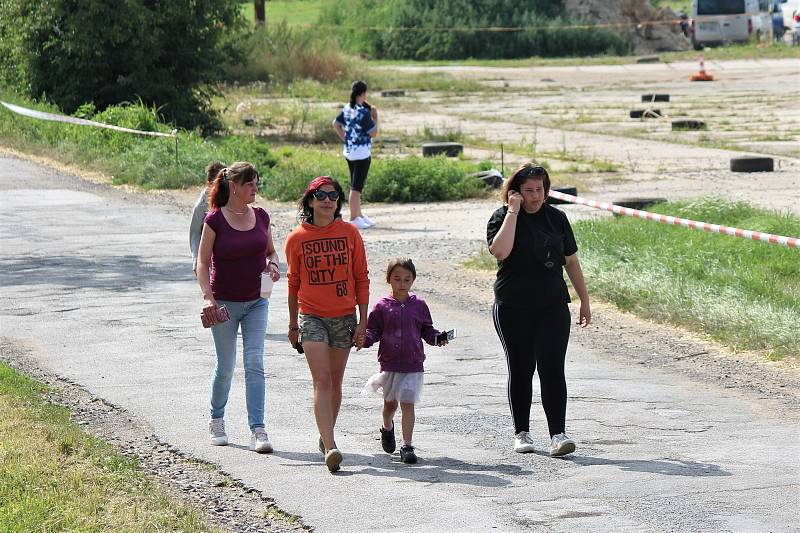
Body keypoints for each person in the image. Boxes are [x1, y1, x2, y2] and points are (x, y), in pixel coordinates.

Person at [486, 163, 591, 457]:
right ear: (515, 192)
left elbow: (571, 262)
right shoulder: (501, 217)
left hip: (552, 304)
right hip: (512, 306)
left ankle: (559, 434)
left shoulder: (557, 218)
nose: (535, 196)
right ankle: (522, 432)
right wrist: (513, 212)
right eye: (529, 191)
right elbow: (500, 251)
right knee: (521, 369)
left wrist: (584, 299)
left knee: (552, 368)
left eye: (540, 190)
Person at [284, 176, 370, 472]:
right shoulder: (297, 238)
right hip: (312, 317)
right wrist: (293, 324)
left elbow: (361, 278)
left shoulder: (350, 233)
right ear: (310, 200)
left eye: (333, 196)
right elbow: (293, 283)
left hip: (344, 316)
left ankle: (325, 434)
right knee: (321, 380)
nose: (328, 200)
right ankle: (331, 446)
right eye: (321, 194)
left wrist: (363, 322)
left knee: (335, 382)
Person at [196, 161, 281, 454]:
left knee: (255, 362)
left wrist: (272, 264)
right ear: (234, 186)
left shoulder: (261, 216)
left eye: (257, 183)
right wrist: (208, 297)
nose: (255, 188)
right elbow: (202, 262)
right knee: (226, 366)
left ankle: (258, 428)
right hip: (224, 304)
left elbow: (271, 251)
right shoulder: (214, 220)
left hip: (257, 301)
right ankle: (216, 419)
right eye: (250, 184)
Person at [360, 258, 448, 464]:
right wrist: (365, 339)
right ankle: (387, 427)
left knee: (408, 405)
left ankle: (407, 446)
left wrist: (437, 338)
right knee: (390, 405)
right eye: (397, 278)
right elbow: (373, 330)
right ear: (389, 279)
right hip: (390, 364)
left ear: (413, 280)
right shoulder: (382, 306)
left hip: (413, 364)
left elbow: (427, 329)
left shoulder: (419, 305)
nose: (402, 283)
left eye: (407, 279)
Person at [333, 80, 378, 230]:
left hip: (350, 151)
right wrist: (375, 117)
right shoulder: (363, 113)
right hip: (362, 153)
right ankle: (353, 217)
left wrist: (345, 138)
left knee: (356, 183)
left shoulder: (347, 108)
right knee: (356, 186)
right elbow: (374, 133)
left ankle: (359, 214)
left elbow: (336, 123)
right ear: (363, 93)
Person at [190, 161, 225, 275]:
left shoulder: (229, 200)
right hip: (209, 260)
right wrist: (196, 261)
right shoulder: (201, 206)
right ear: (209, 183)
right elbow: (195, 232)